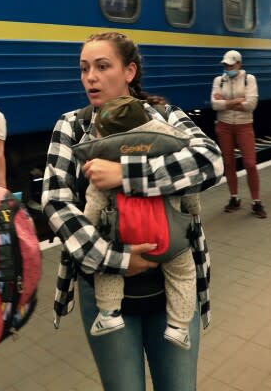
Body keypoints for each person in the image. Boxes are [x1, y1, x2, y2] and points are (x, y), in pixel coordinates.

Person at [40, 31, 223, 391]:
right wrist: (115, 257)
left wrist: (126, 176)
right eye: (84, 68)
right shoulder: (71, 126)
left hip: (172, 290)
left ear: (129, 71)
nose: (90, 77)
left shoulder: (166, 116)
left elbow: (211, 162)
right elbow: (56, 201)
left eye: (102, 66)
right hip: (105, 291)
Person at [79, 95, 203, 351]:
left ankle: (109, 314)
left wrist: (90, 232)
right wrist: (193, 212)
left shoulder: (102, 168)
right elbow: (189, 192)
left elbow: (92, 207)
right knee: (183, 272)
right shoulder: (168, 154)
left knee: (108, 270)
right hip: (170, 240)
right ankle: (179, 326)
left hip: (122, 241)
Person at [210, 50, 265, 218]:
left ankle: (256, 201)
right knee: (228, 163)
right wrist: (237, 101)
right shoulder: (219, 81)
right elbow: (214, 105)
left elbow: (251, 105)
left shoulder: (249, 79)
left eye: (231, 65)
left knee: (250, 163)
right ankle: (234, 197)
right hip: (224, 126)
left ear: (239, 64)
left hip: (244, 126)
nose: (228, 68)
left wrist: (225, 103)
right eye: (226, 65)